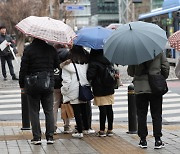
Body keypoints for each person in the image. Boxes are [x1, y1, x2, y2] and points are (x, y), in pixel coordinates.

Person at [19, 38, 59, 145]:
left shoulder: (29, 49)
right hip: (48, 82)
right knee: (49, 110)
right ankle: (50, 136)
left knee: (34, 111)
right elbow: (57, 65)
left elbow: (23, 68)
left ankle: (36, 138)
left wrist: (21, 84)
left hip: (33, 84)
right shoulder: (51, 49)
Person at [127, 52, 170, 149]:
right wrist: (161, 76)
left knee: (141, 114)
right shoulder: (158, 51)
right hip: (155, 87)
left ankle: (143, 140)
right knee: (156, 114)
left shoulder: (135, 53)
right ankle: (158, 140)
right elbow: (165, 66)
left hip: (140, 88)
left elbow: (130, 72)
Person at [61, 45, 94, 138]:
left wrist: (64, 91)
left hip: (73, 89)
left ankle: (79, 131)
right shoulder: (86, 64)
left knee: (76, 111)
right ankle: (86, 128)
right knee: (84, 109)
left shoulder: (67, 66)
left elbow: (66, 81)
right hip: (84, 88)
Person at [87, 49, 115, 137]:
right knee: (109, 108)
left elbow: (90, 75)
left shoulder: (94, 62)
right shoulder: (109, 60)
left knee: (102, 109)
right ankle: (110, 129)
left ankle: (102, 130)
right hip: (109, 87)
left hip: (99, 88)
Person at [53, 44, 72, 134]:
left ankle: (53, 126)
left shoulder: (52, 54)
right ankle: (66, 126)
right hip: (65, 82)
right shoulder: (67, 54)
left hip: (54, 83)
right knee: (66, 104)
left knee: (54, 106)